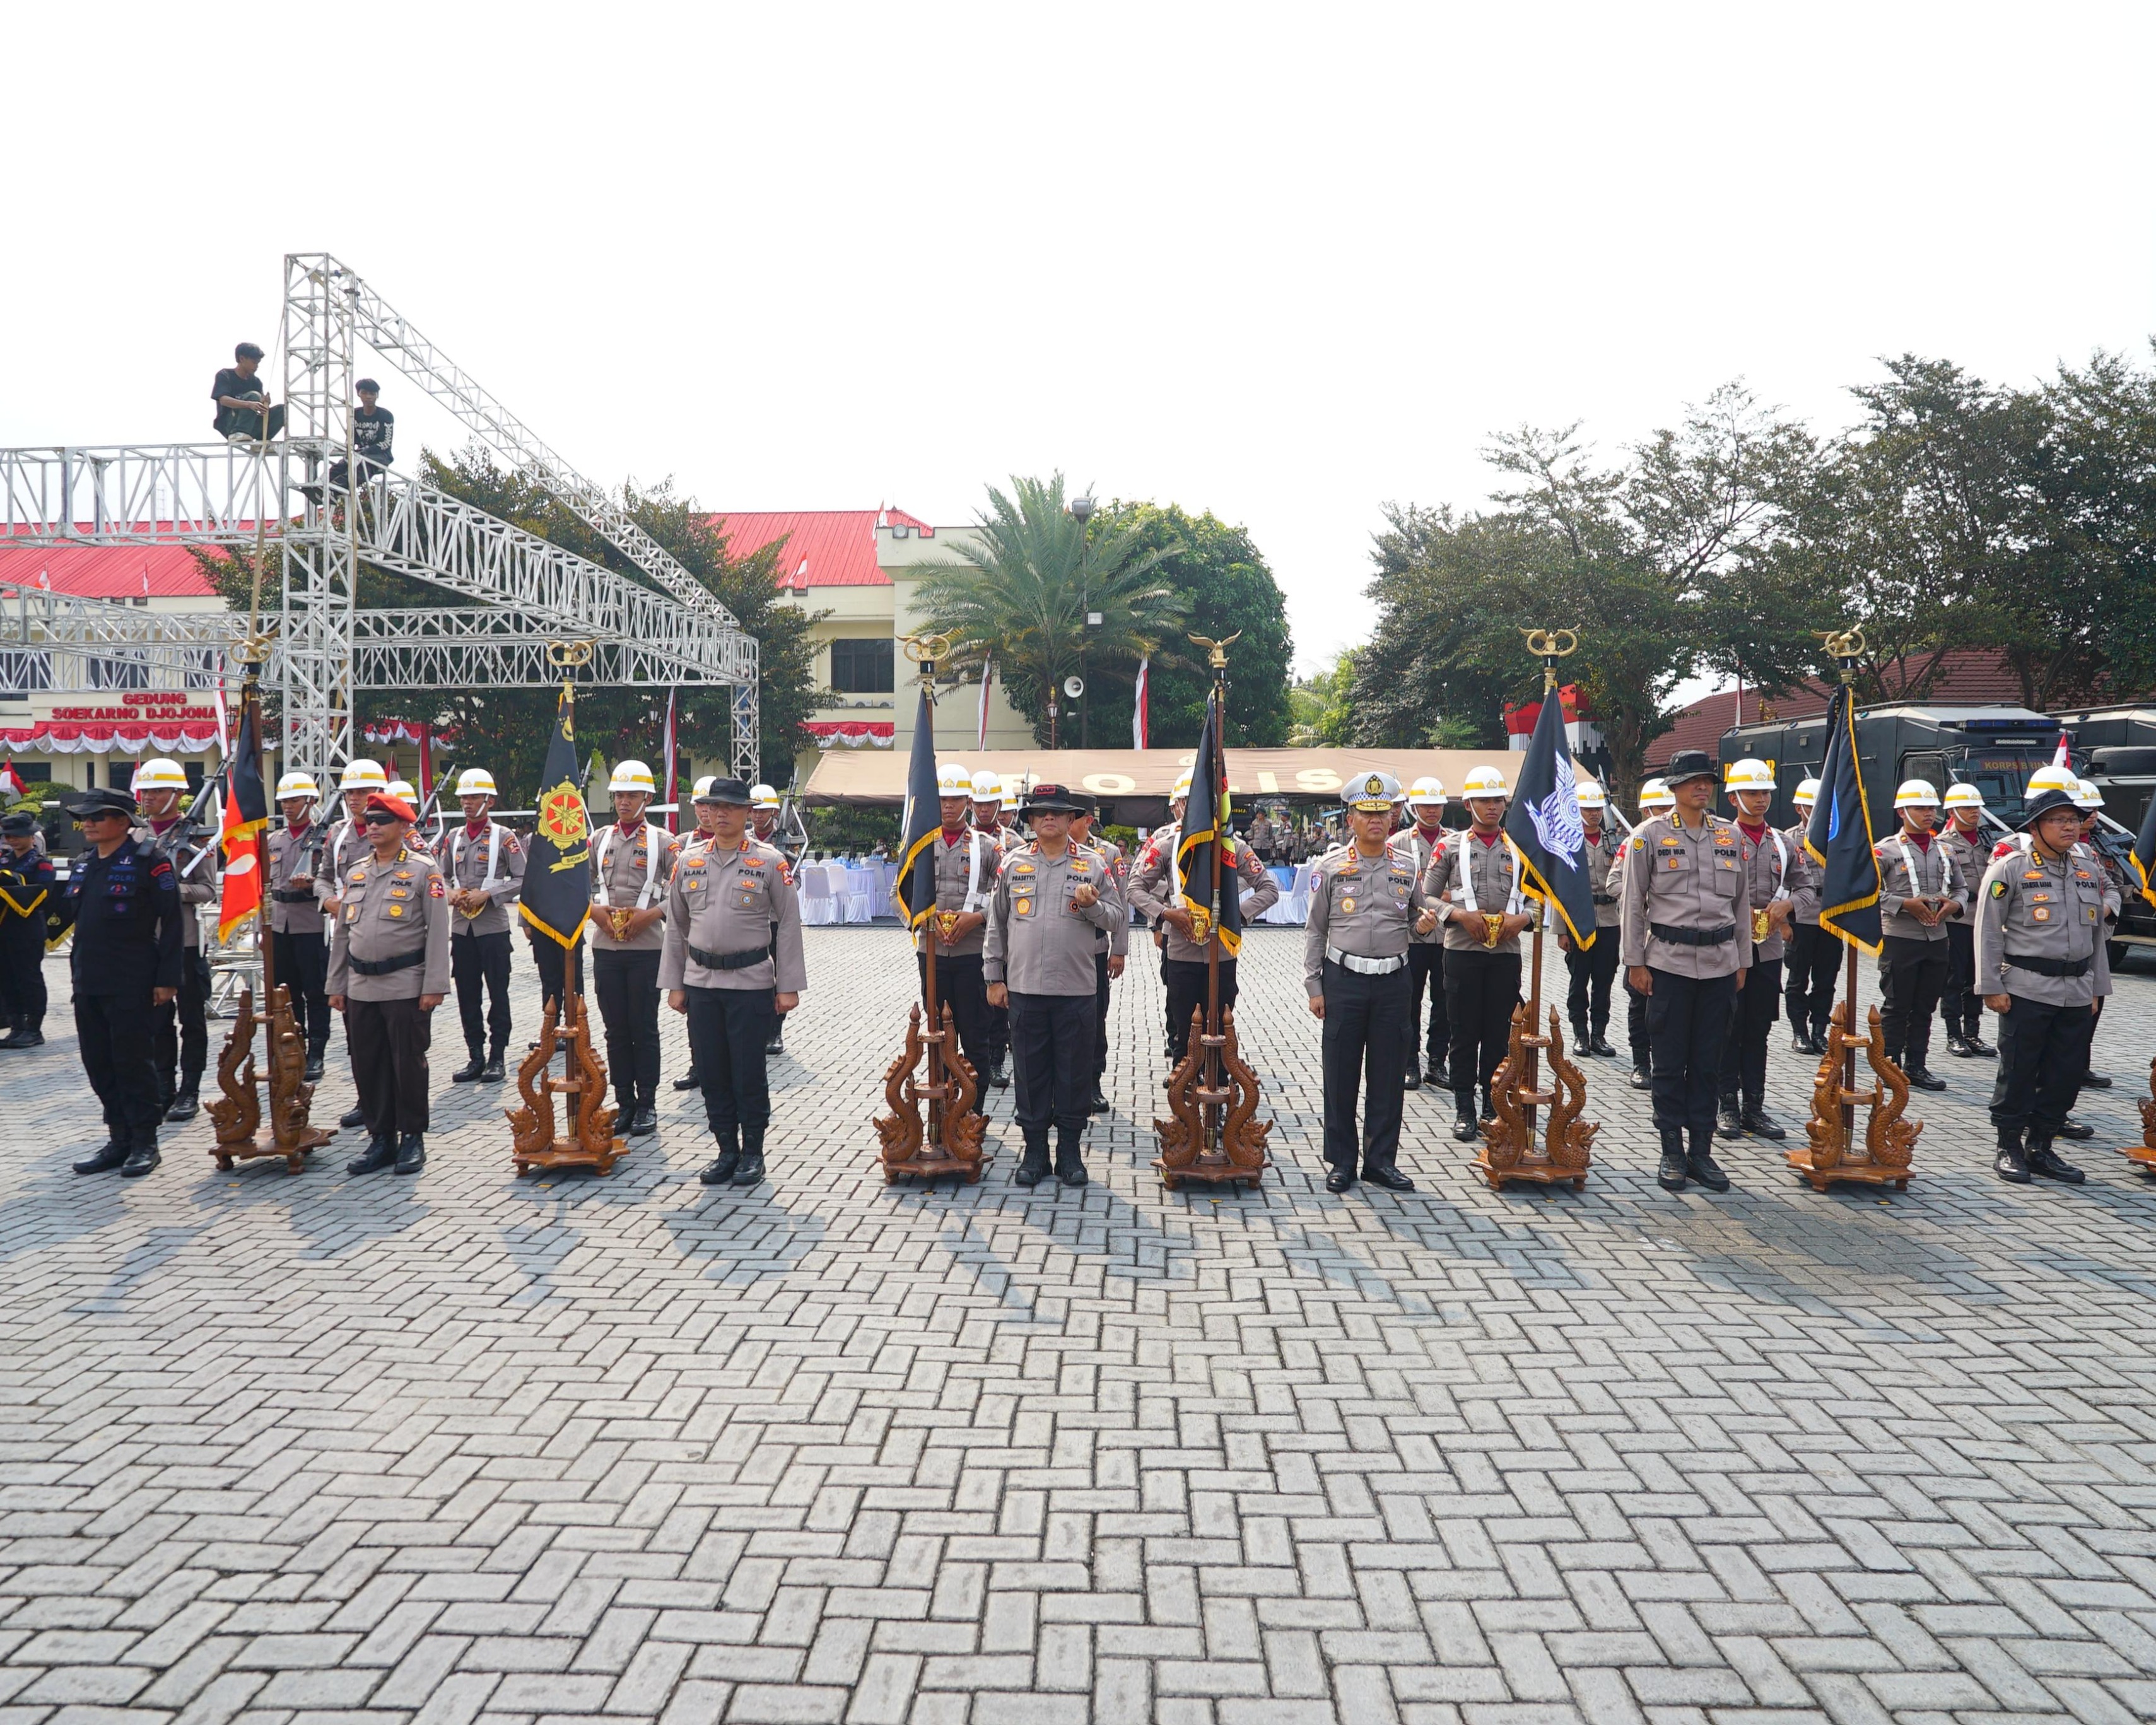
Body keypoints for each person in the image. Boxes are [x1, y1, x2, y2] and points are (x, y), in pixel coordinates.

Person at [663, 778, 806, 1189]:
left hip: (750, 982)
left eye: (730, 806)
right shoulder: (688, 861)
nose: (720, 813)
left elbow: (789, 924)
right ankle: (726, 1148)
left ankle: (753, 1152)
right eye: (713, 806)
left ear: (748, 812)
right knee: (711, 1071)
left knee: (747, 1070)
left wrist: (788, 984)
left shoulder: (769, 861)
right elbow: (676, 925)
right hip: (702, 983)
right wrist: (675, 982)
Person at [1618, 749, 1749, 1194]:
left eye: (1707, 780)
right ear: (1673, 788)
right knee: (1670, 1063)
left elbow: (1742, 907)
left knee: (1709, 1062)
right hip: (1668, 964)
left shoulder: (1730, 836)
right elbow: (1633, 904)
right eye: (1692, 781)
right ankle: (1671, 1148)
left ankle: (1702, 1151)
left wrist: (1743, 960)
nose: (1701, 787)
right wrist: (1635, 961)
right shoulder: (1648, 837)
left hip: (1719, 964)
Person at [983, 784, 1122, 1188]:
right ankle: (1035, 1152)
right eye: (1041, 812)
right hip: (1025, 988)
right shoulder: (1012, 865)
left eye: (1058, 813)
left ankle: (1070, 1153)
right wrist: (994, 977)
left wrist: (1093, 904)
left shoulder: (1094, 865)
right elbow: (997, 924)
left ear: (1070, 820)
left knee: (1074, 1072)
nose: (1049, 818)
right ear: (1030, 820)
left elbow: (1117, 917)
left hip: (1076, 990)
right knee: (1029, 1072)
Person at [1307, 772, 1439, 1191]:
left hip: (1393, 982)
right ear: (1351, 819)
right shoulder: (1330, 867)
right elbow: (1315, 929)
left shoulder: (1407, 865)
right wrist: (1315, 986)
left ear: (1393, 817)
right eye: (1367, 813)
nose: (1376, 820)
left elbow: (1417, 916)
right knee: (1341, 1075)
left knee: (1387, 1076)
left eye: (1384, 812)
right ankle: (1342, 1161)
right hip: (1344, 980)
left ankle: (1380, 1161)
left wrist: (1424, 923)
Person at [1974, 784, 2105, 1186]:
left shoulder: (2089, 869)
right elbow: (1988, 931)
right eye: (2060, 820)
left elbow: (2098, 934)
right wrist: (1990, 985)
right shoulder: (2009, 868)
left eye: (2074, 819)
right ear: (2036, 827)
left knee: (2066, 1073)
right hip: (2027, 989)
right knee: (2019, 1069)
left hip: (2078, 991)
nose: (2071, 827)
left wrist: (2099, 988)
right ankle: (2009, 1145)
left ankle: (2043, 1145)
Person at [58, 788, 181, 1177]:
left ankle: (145, 1141)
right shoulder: (83, 864)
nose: (88, 823)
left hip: (133, 981)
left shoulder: (150, 861)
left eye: (98, 817)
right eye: (86, 817)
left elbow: (173, 924)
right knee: (98, 1063)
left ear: (124, 822)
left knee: (133, 1063)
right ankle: (119, 1137)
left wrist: (168, 979)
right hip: (89, 980)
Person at [327, 792, 451, 1176]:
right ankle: (381, 1138)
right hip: (361, 985)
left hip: (405, 984)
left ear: (403, 826)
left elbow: (437, 931)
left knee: (407, 1063)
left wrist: (434, 985)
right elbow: (343, 932)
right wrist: (336, 984)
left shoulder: (423, 871)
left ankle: (412, 1136)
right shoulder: (357, 872)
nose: (374, 827)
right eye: (370, 821)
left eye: (382, 820)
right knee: (368, 1063)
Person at [1126, 775, 1279, 1066]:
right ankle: (1184, 1094)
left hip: (1221, 951)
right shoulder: (1167, 844)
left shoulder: (1234, 846)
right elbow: (1135, 888)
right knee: (1185, 1030)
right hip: (1182, 949)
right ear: (1178, 807)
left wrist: (1236, 916)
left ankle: (1219, 1090)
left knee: (1221, 1027)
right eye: (1187, 802)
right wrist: (1164, 914)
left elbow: (1269, 889)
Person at [1419, 765, 1533, 1144]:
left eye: (1497, 800)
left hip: (1506, 955)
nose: (1491, 807)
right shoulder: (1450, 847)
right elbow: (1426, 896)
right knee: (1464, 1033)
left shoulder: (1520, 848)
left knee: (1500, 1034)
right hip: (1461, 953)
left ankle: (1492, 1102)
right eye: (1483, 800)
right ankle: (1464, 1107)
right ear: (1468, 804)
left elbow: (1542, 899)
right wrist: (1458, 915)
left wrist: (1523, 921)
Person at [899, 763, 1002, 1094]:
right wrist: (922, 920)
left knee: (974, 1037)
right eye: (942, 799)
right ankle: (942, 1116)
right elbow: (898, 893)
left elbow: (1006, 896)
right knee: (938, 1034)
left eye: (956, 799)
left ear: (968, 803)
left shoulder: (987, 847)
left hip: (973, 955)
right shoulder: (918, 845)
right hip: (931, 954)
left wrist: (978, 917)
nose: (947, 806)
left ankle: (973, 1118)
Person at [589, 759, 674, 1138]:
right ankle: (623, 1101)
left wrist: (652, 914)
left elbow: (683, 895)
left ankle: (647, 1104)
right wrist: (593, 912)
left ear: (648, 798)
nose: (624, 801)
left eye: (632, 795)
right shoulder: (598, 839)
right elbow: (574, 884)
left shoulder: (664, 842)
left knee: (644, 1028)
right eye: (619, 795)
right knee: (614, 1029)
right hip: (607, 947)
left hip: (647, 948)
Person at [1714, 758, 1797, 1140]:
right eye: (1752, 792)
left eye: (1765, 792)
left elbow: (1808, 886)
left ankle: (1755, 1107)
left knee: (1759, 1029)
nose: (1761, 799)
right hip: (1728, 948)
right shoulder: (1720, 839)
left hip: (1769, 950)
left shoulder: (1785, 842)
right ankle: (1726, 1104)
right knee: (1728, 1027)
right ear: (1733, 797)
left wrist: (1789, 906)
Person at [132, 757, 216, 1123]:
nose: (148, 797)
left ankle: (190, 1090)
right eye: (145, 790)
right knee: (155, 1021)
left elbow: (207, 889)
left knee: (192, 1021)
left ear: (178, 795)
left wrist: (168, 890)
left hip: (184, 941)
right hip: (147, 942)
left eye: (157, 791)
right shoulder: (135, 835)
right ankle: (164, 1086)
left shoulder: (196, 838)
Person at [1873, 780, 1965, 1092]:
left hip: (1937, 938)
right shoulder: (1885, 850)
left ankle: (1917, 1064)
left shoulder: (1945, 849)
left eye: (1931, 808)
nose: (1928, 814)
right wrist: (1904, 905)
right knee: (1897, 1004)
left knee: (1925, 1006)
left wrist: (1955, 904)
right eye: (1920, 808)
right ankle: (1888, 1064)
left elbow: (1961, 888)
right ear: (1902, 811)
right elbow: (1868, 894)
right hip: (1901, 938)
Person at [319, 758, 392, 1130]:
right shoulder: (337, 834)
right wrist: (327, 900)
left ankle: (391, 1102)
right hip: (347, 941)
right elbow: (323, 877)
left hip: (387, 943)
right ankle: (366, 1098)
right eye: (350, 792)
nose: (355, 799)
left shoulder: (399, 832)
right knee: (356, 1031)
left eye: (362, 792)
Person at [444, 768, 525, 1084]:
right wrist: (451, 894)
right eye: (464, 797)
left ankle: (497, 1056)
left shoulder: (505, 837)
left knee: (498, 993)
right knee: (467, 993)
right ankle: (475, 1055)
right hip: (462, 928)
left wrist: (488, 894)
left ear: (489, 800)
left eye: (474, 796)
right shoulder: (453, 838)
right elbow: (439, 876)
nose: (468, 802)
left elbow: (522, 877)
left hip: (492, 926)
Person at [266, 772, 332, 1080]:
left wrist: (312, 884)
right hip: (281, 924)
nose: (288, 807)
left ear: (311, 801)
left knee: (316, 991)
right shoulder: (275, 840)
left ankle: (317, 1051)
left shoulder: (325, 838)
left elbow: (331, 879)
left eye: (294, 800)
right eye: (284, 802)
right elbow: (266, 887)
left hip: (311, 923)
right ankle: (297, 1047)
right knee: (287, 993)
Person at [1388, 778, 1453, 1091]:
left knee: (1445, 1002)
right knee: (1408, 1002)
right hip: (1410, 936)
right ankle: (1409, 1061)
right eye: (1425, 805)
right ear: (1414, 808)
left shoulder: (1456, 841)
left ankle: (1437, 1061)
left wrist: (1448, 897)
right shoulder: (1398, 843)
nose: (1432, 811)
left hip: (1447, 936)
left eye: (1437, 805)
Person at [1068, 794, 1129, 1114]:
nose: (1065, 822)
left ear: (1087, 821)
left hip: (1094, 952)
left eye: (1072, 817)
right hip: (1059, 955)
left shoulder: (1107, 854)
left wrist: (1118, 950)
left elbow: (1123, 903)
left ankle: (1093, 1083)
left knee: (1094, 1020)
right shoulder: (1049, 851)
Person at [1615, 778, 1672, 1089]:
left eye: (1668, 807)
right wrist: (1640, 895)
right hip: (1642, 934)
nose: (1665, 813)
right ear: (1646, 810)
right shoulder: (1634, 843)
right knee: (1640, 1006)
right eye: (1660, 808)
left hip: (1671, 940)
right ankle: (1640, 1062)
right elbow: (1615, 883)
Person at [1561, 781, 1624, 1060]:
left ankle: (1599, 1034)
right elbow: (1559, 890)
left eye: (1597, 808)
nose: (1594, 813)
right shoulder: (1570, 842)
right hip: (1580, 920)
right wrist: (1561, 930)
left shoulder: (1615, 841)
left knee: (1604, 980)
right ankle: (1580, 1034)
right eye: (1587, 808)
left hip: (1610, 919)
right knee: (1579, 980)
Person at [671, 777, 724, 1093]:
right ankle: (698, 1064)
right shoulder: (680, 845)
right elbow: (671, 893)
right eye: (701, 805)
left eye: (711, 805)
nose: (706, 811)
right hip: (690, 942)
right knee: (695, 1014)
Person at [969, 770, 1020, 1088]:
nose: (984, 810)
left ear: (999, 804)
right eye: (979, 804)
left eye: (990, 804)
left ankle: (998, 1060)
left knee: (999, 1002)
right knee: (973, 1003)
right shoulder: (965, 837)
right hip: (969, 936)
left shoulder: (1013, 843)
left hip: (1002, 935)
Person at [1936, 783, 1994, 1058]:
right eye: (1968, 808)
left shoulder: (1989, 840)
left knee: (1977, 977)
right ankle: (1953, 1034)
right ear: (1952, 811)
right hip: (1958, 919)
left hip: (1985, 919)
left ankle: (1972, 1032)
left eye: (1976, 807)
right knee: (1954, 978)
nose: (1974, 812)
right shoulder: (1944, 843)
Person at [1781, 779, 1836, 1054]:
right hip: (1801, 917)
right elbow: (1780, 883)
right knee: (1797, 979)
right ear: (1798, 807)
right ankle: (1799, 1031)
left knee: (1826, 980)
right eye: (1812, 807)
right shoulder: (1789, 839)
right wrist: (1783, 923)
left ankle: (1819, 1031)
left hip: (1832, 918)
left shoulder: (1838, 835)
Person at [0, 810, 57, 1048]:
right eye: (8, 836)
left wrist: (9, 882)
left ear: (31, 836)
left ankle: (34, 1028)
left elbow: (42, 892)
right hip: (4, 929)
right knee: (6, 979)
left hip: (27, 929)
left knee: (29, 978)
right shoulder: (4, 860)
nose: (12, 840)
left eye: (17, 836)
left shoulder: (40, 863)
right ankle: (16, 1026)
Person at [747, 785, 791, 1054]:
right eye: (754, 810)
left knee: (777, 978)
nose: (758, 816)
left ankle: (776, 1032)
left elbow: (793, 879)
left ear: (774, 812)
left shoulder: (786, 840)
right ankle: (758, 1029)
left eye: (763, 811)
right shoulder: (744, 839)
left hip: (775, 919)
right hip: (752, 919)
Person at [211, 341, 283, 442]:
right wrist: (249, 404)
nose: (256, 366)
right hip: (230, 424)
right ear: (242, 359)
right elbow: (223, 400)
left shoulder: (256, 381)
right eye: (254, 362)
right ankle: (238, 433)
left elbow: (258, 407)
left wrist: (264, 403)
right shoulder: (225, 375)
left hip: (250, 426)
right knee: (254, 396)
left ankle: (263, 441)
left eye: (258, 363)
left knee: (282, 410)